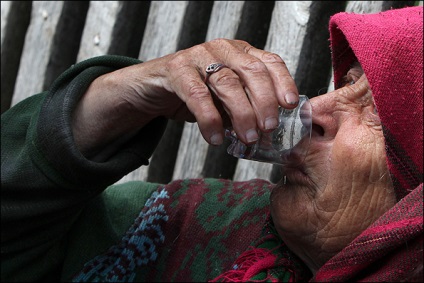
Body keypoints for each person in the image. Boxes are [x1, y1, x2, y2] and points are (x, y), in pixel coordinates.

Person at [1, 5, 422, 282]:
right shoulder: (187, 223)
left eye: (380, 116)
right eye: (345, 83)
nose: (320, 110)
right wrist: (114, 99)